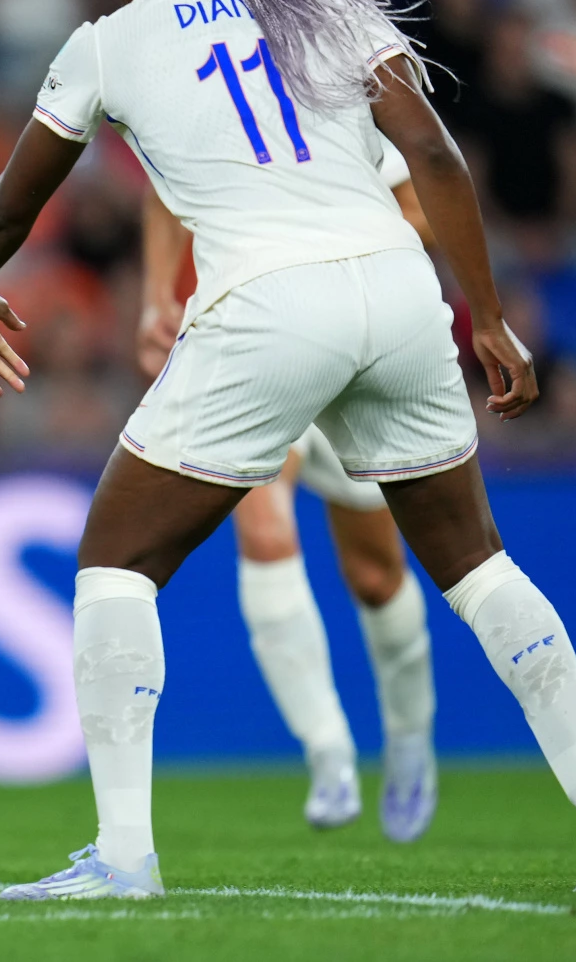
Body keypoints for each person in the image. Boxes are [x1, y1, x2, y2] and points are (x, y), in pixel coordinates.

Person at [0, 0, 576, 899]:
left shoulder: (106, 43)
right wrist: (488, 317)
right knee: (473, 562)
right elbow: (439, 159)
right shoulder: (327, 4)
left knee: (113, 561)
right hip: (400, 292)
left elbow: (13, 202)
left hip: (267, 305)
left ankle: (125, 855)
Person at [138, 138, 438, 842]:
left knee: (374, 574)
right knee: (263, 529)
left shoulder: (337, 98)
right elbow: (161, 184)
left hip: (351, 337)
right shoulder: (205, 89)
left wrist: (326, 230)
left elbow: (420, 210)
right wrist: (155, 293)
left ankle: (409, 736)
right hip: (249, 342)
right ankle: (328, 750)